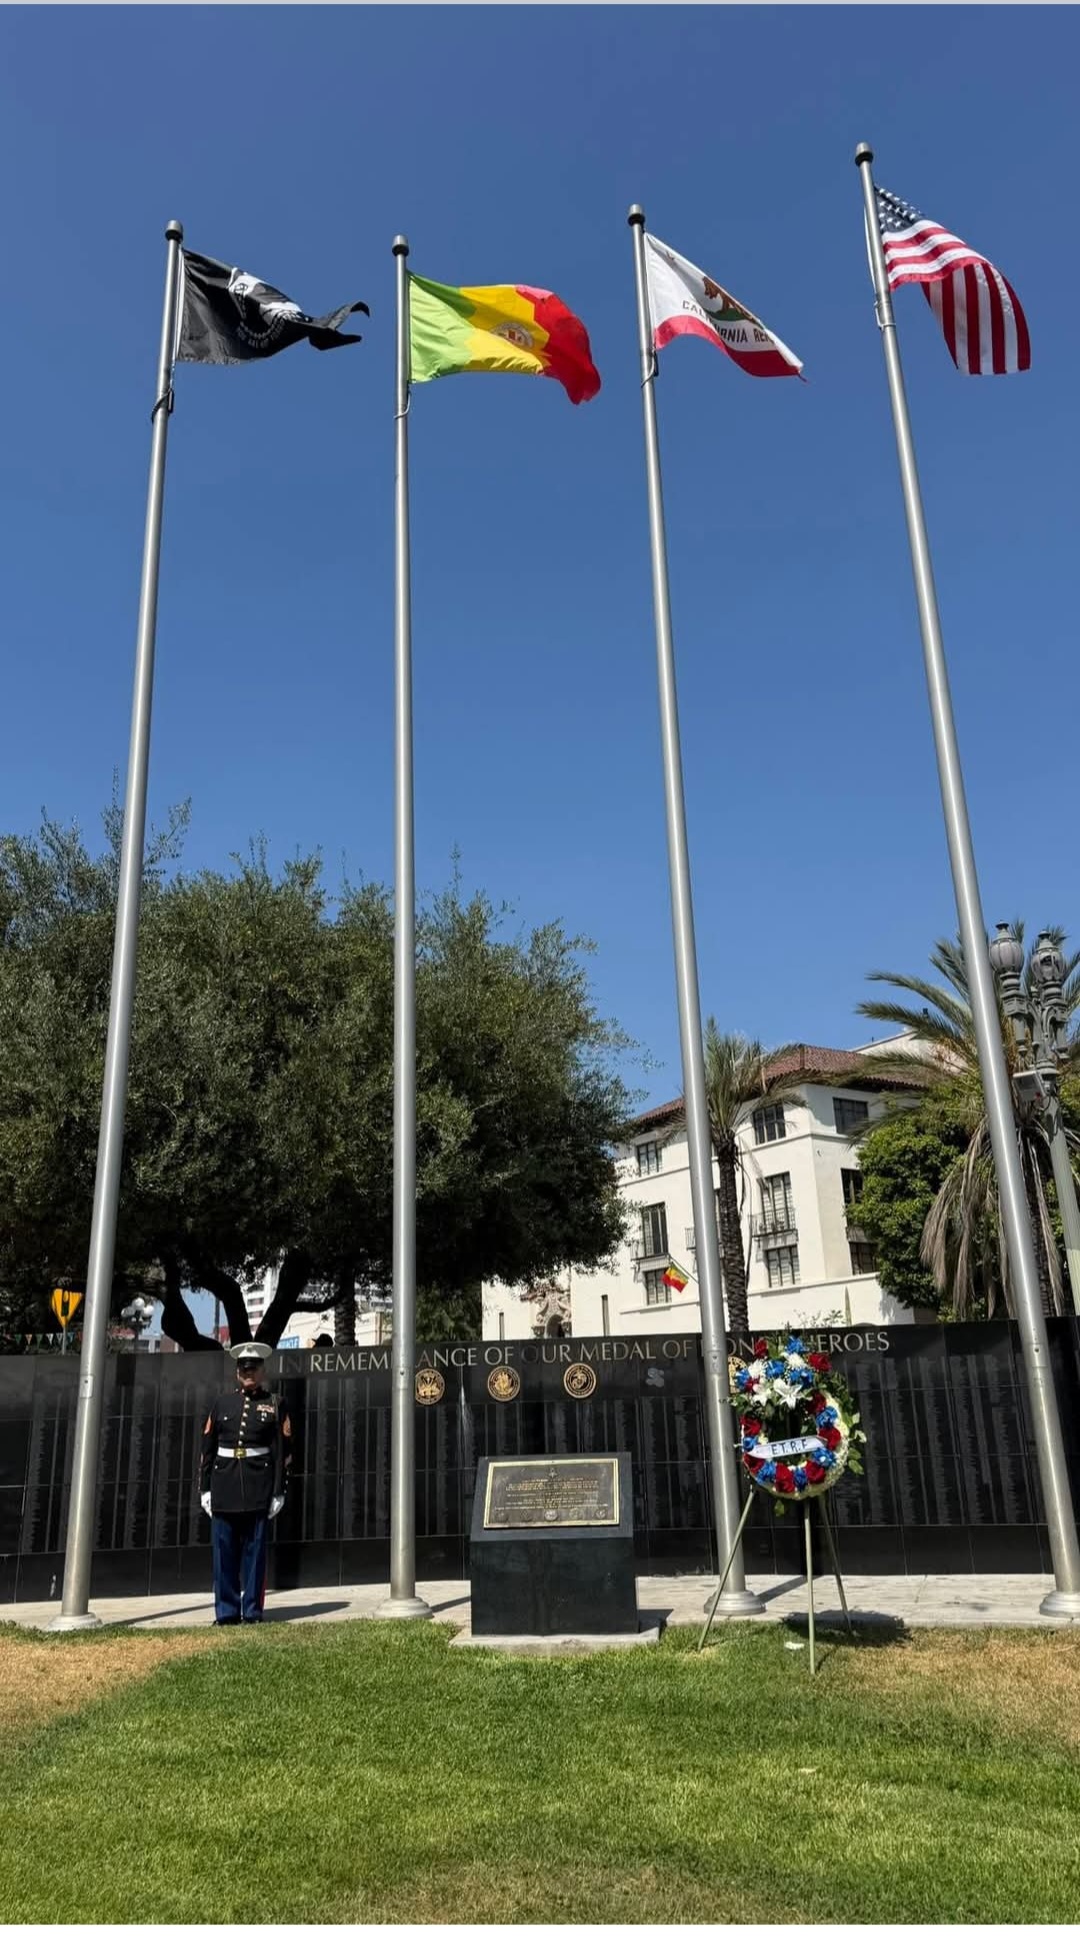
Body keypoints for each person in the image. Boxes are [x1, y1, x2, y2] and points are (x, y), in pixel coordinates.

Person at [199, 1341, 292, 1626]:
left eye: (253, 1368)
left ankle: (252, 1611)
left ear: (262, 1371)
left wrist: (279, 1490)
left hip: (257, 1486)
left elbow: (283, 1451)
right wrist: (204, 1488)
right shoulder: (222, 1403)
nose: (248, 1373)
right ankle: (226, 1613)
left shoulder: (275, 1404)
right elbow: (208, 1448)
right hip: (224, 1485)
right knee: (223, 1554)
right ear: (237, 1372)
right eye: (244, 1368)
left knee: (255, 1553)